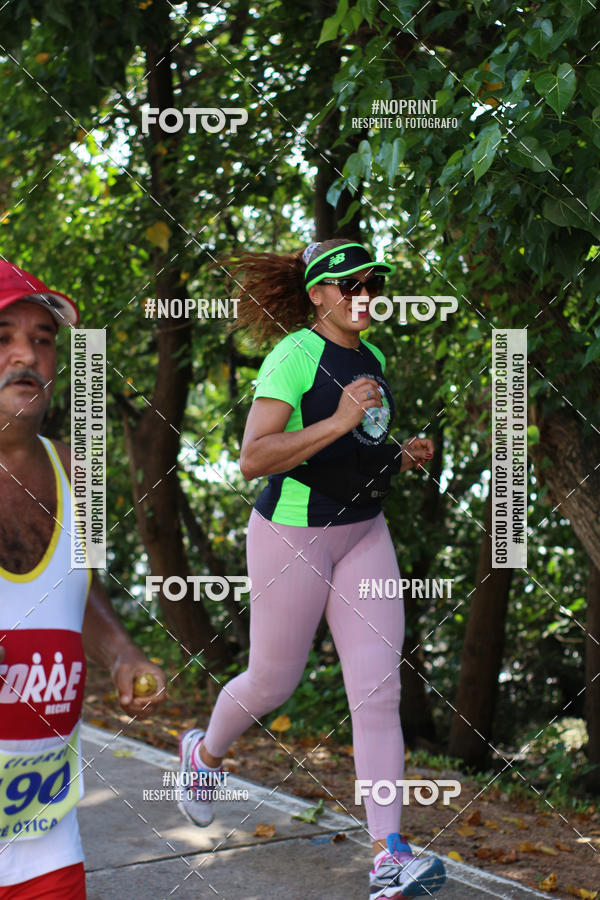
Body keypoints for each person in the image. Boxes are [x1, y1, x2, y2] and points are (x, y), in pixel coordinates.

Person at [177, 239, 446, 898]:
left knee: (378, 695)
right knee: (273, 681)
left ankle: (389, 854)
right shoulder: (292, 355)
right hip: (292, 536)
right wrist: (342, 419)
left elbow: (356, 450)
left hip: (364, 534)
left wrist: (398, 457)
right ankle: (204, 755)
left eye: (374, 283)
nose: (366, 293)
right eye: (351, 283)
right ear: (319, 294)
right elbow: (254, 457)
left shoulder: (373, 357)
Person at [0, 260, 167, 899]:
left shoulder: (81, 474)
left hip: (44, 834)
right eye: (5, 335)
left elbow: (81, 588)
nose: (27, 353)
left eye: (44, 339)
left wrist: (122, 652)